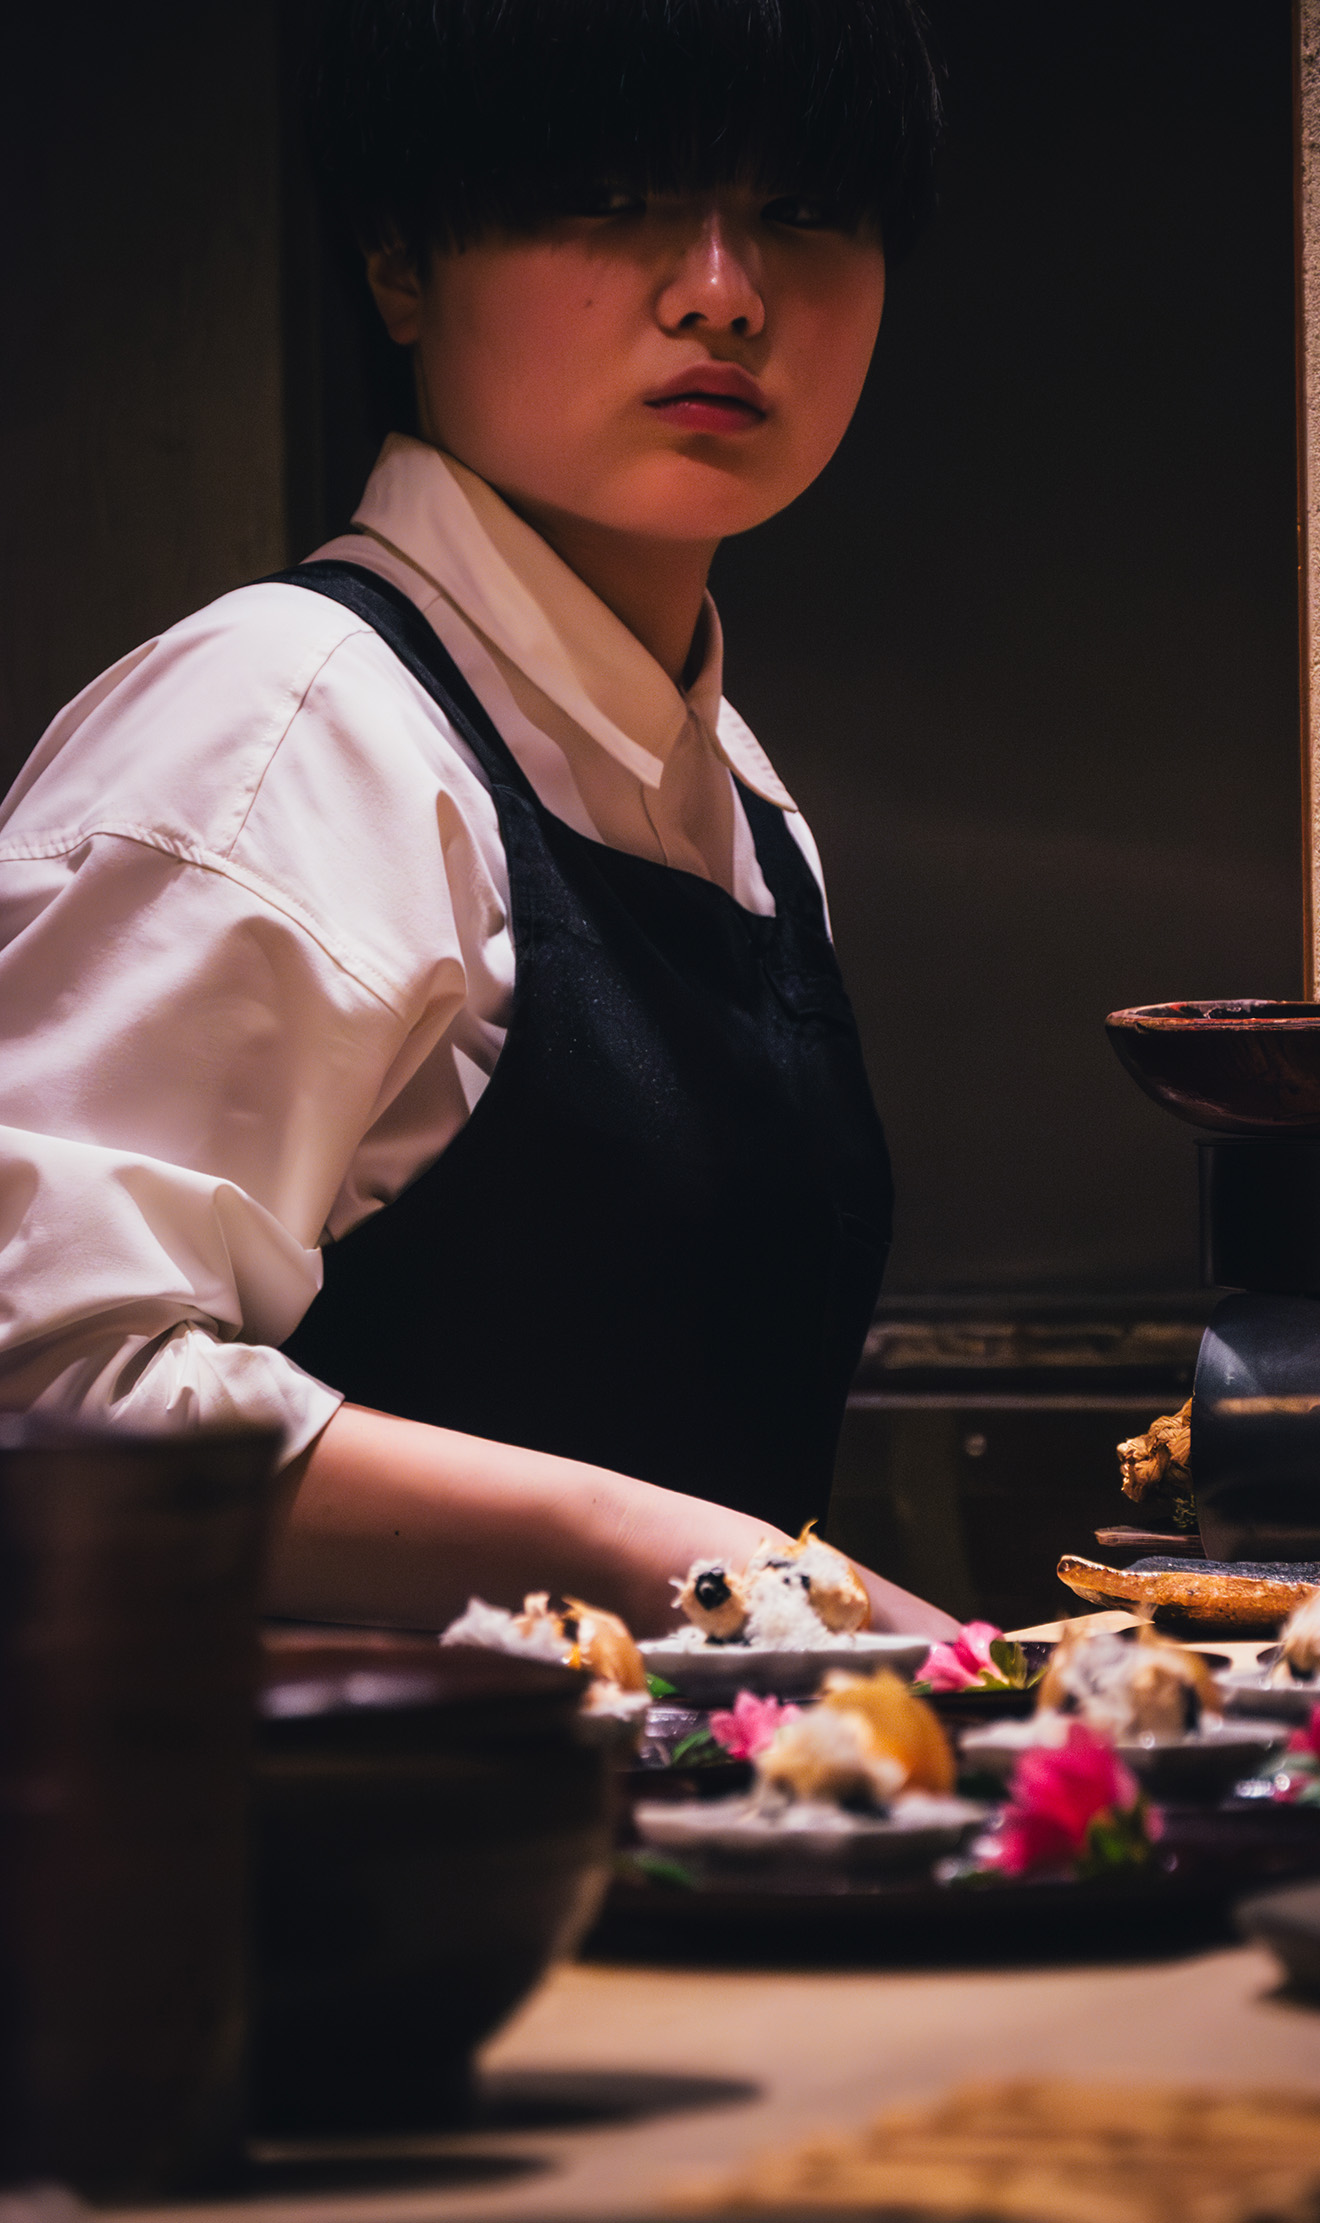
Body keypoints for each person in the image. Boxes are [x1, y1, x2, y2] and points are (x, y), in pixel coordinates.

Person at [0, 0, 956, 1640]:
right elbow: (43, 1396)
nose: (722, 291)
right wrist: (692, 1565)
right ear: (400, 261)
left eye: (801, 207)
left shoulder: (744, 798)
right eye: (610, 194)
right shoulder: (288, 719)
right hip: (332, 1808)